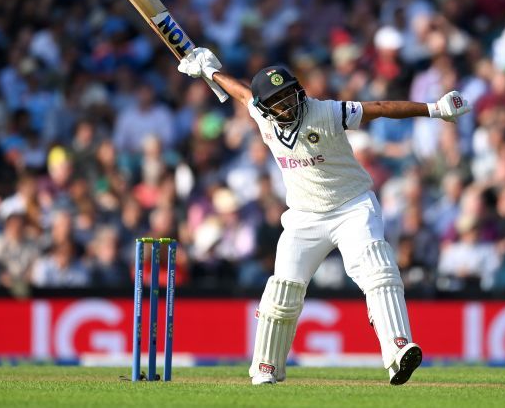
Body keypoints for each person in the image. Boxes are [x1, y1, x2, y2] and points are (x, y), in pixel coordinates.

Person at [177, 48, 471, 385]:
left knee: (379, 270)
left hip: (352, 205)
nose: (287, 105)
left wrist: (434, 109)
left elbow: (380, 109)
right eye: (278, 101)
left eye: (290, 95)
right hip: (304, 216)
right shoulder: (260, 115)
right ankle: (266, 368)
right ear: (264, 107)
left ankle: (398, 349)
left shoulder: (327, 112)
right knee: (283, 290)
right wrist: (209, 72)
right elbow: (242, 91)